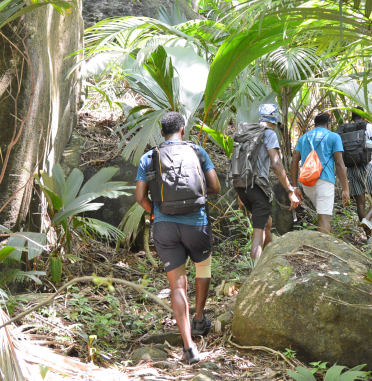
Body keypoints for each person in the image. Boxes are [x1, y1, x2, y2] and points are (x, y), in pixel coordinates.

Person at [134, 111, 221, 364]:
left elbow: (140, 198)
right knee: (202, 267)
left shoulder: (149, 158)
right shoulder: (197, 152)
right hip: (197, 223)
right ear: (183, 130)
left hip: (165, 227)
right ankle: (199, 319)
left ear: (162, 133)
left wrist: (156, 212)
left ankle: (189, 346)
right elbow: (215, 187)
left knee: (177, 285)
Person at [231, 103, 301, 262]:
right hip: (257, 187)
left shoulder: (246, 132)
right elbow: (276, 164)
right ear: (275, 121)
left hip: (241, 186)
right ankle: (255, 273)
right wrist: (290, 190)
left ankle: (272, 258)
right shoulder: (269, 134)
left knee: (266, 221)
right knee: (259, 232)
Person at [291, 112, 349, 234]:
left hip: (307, 183)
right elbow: (339, 163)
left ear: (315, 124)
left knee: (322, 215)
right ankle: (325, 251)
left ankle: (328, 241)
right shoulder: (334, 137)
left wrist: (295, 186)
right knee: (324, 219)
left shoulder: (304, 137)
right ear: (328, 124)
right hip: (325, 181)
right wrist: (345, 189)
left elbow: (294, 160)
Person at [339, 110, 372, 236]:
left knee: (360, 203)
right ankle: (367, 219)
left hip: (351, 168)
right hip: (367, 166)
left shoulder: (345, 129)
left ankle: (369, 235)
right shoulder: (368, 126)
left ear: (352, 117)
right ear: (363, 117)